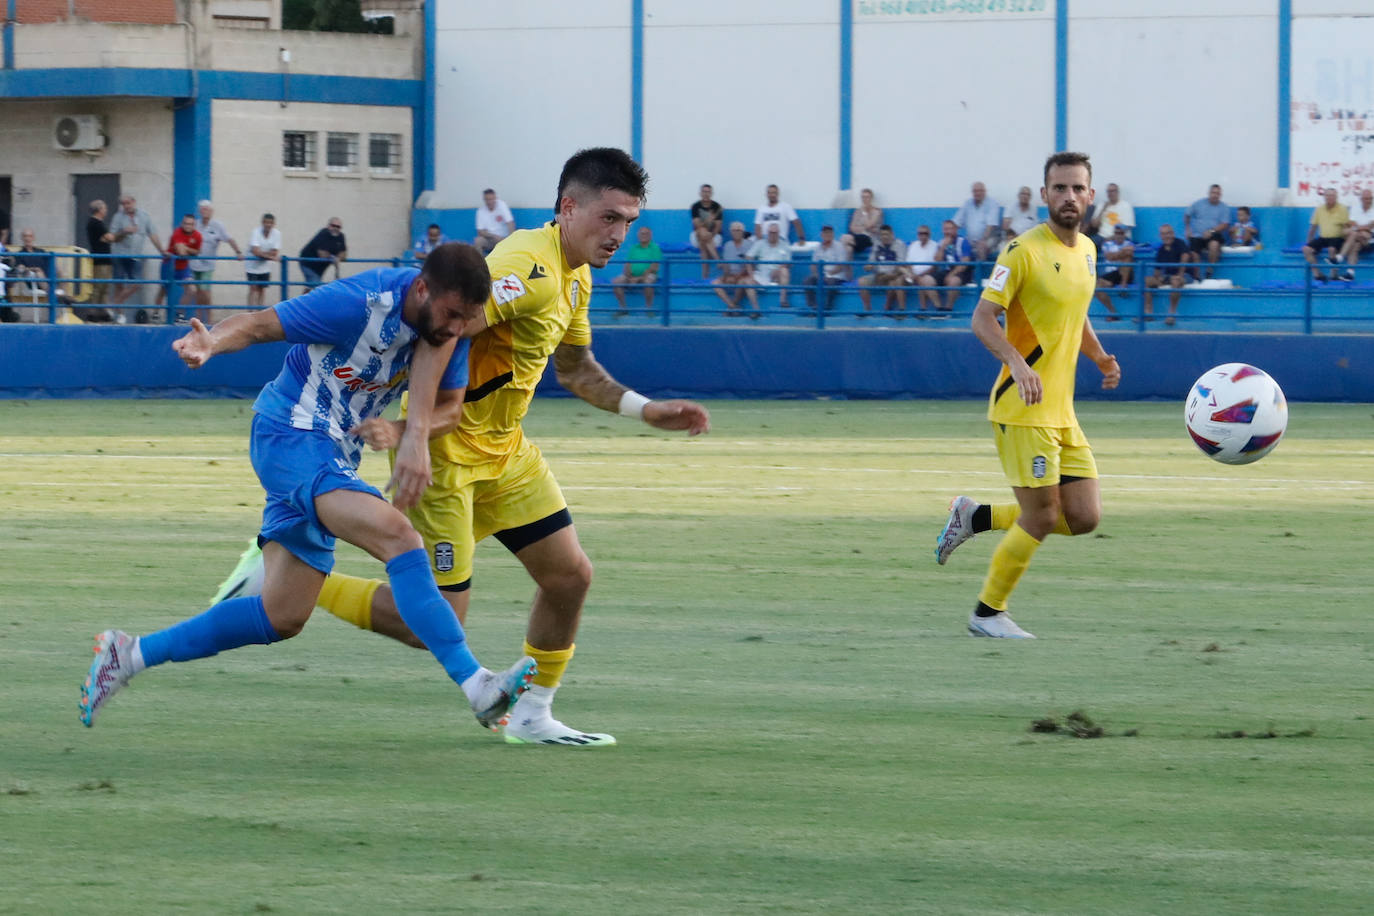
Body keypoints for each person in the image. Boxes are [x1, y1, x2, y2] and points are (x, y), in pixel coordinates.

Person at [210, 148, 711, 748]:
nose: (619, 235)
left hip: (505, 451)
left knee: (570, 575)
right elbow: (442, 329)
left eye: (628, 221)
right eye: (609, 218)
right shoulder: (526, 265)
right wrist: (417, 433)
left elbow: (576, 369)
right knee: (433, 625)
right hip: (449, 455)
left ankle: (532, 714)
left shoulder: (574, 276)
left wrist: (644, 409)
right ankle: (267, 585)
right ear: (569, 207)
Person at [78, 242, 537, 730]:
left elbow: (450, 407)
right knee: (399, 536)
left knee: (282, 616)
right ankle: (476, 683)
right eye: (451, 315)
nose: (457, 329)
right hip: (289, 433)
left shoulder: (449, 323)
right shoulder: (357, 302)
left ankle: (127, 655)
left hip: (334, 454)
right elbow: (258, 324)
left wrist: (404, 431)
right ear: (422, 289)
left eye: (466, 319)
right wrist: (210, 341)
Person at [933, 151, 1121, 639]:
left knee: (1083, 517)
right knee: (1042, 515)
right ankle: (987, 614)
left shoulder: (1087, 252)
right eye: (1059, 188)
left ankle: (974, 516)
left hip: (1062, 412)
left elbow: (1073, 316)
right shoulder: (1022, 252)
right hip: (1023, 409)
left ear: (1090, 195)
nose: (1069, 197)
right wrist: (1015, 363)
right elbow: (981, 318)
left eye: (1077, 188)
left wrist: (1099, 357)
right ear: (1044, 195)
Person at [109, 195, 165, 321]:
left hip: (135, 256)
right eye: (123, 204)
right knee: (119, 285)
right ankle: (120, 316)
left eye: (128, 203)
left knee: (137, 283)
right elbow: (112, 237)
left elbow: (152, 234)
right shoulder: (118, 217)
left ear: (134, 202)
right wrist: (124, 232)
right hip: (119, 254)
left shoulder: (144, 216)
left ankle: (115, 303)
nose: (126, 206)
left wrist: (161, 250)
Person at [190, 200, 243, 321]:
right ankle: (198, 318)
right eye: (203, 209)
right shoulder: (196, 224)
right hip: (194, 264)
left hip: (208, 265)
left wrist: (238, 252)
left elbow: (229, 239)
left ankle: (209, 318)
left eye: (207, 209)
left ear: (212, 211)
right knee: (198, 291)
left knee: (205, 291)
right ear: (199, 211)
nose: (205, 212)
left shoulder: (217, 225)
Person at [1144, 223, 1191, 326]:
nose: (1166, 236)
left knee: (1176, 281)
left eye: (1168, 233)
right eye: (1163, 234)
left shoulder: (1180, 243)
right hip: (1169, 277)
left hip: (1185, 275)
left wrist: (1180, 275)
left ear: (1173, 234)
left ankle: (1171, 314)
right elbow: (1157, 270)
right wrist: (1157, 279)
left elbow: (1185, 257)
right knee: (1147, 281)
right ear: (1160, 236)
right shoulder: (1161, 250)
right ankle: (1148, 313)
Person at [611, 224, 662, 315]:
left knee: (648, 281)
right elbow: (628, 264)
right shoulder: (633, 248)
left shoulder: (655, 248)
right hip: (632, 276)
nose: (643, 235)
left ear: (650, 235)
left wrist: (639, 278)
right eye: (641, 234)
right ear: (638, 236)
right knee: (616, 281)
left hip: (648, 275)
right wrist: (629, 276)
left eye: (646, 234)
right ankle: (623, 308)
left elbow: (654, 266)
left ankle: (649, 309)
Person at [1183, 183, 1232, 279]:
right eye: (1213, 192)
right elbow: (1187, 214)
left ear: (1220, 195)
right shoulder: (1199, 204)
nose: (1215, 195)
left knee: (1214, 245)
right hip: (1197, 236)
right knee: (1193, 252)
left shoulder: (1224, 207)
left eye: (1217, 193)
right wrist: (1187, 229)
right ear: (1209, 193)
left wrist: (1211, 231)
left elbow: (1225, 224)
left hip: (1214, 234)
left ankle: (1210, 269)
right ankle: (1196, 276)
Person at [856, 224, 907, 317]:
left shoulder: (900, 244)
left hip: (893, 275)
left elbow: (901, 265)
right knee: (861, 281)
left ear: (892, 234)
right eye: (882, 234)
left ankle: (887, 309)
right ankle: (867, 309)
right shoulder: (876, 245)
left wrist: (889, 275)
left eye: (886, 234)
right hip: (879, 275)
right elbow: (871, 262)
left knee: (893, 284)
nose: (884, 237)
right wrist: (869, 267)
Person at [1303, 188, 1349, 282]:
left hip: (1338, 238)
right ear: (1324, 197)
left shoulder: (1342, 208)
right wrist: (1309, 242)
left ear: (1336, 197)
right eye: (1327, 195)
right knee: (1306, 249)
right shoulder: (1319, 209)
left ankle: (1333, 275)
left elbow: (1346, 226)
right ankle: (1317, 274)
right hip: (1323, 238)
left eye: (1332, 195)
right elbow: (1313, 227)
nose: (1330, 198)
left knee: (1332, 249)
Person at [713, 221, 757, 316]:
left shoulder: (749, 244)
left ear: (742, 232)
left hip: (743, 275)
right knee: (715, 283)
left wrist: (738, 276)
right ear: (731, 232)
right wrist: (726, 276)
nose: (736, 232)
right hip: (730, 275)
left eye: (738, 230)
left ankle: (730, 308)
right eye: (734, 230)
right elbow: (726, 264)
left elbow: (750, 265)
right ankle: (733, 306)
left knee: (743, 282)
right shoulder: (728, 245)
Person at [805, 224, 851, 312]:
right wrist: (817, 274)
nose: (827, 235)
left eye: (830, 233)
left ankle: (827, 308)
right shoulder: (818, 248)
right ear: (822, 235)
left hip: (836, 276)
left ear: (833, 234)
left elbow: (841, 266)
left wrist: (829, 274)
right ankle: (813, 307)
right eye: (825, 233)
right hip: (822, 275)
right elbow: (813, 265)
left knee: (831, 282)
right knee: (808, 281)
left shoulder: (839, 246)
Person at [747, 221, 793, 309]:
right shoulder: (759, 243)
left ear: (778, 233)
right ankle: (756, 309)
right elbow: (748, 258)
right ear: (767, 233)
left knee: (784, 270)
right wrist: (751, 274)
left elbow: (788, 263)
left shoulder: (785, 245)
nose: (773, 234)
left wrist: (779, 269)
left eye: (775, 232)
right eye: (771, 232)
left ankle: (783, 300)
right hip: (761, 274)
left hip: (777, 275)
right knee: (748, 281)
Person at [82, 199, 114, 321]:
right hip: (100, 259)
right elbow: (109, 237)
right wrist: (123, 232)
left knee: (105, 286)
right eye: (104, 208)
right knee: (99, 286)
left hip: (105, 258)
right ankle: (93, 311)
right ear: (99, 210)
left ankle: (103, 310)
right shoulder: (96, 223)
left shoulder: (95, 223)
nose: (106, 210)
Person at [163, 213, 203, 313]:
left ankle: (179, 315)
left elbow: (198, 252)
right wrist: (188, 250)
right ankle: (155, 313)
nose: (187, 226)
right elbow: (181, 252)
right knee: (163, 290)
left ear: (194, 225)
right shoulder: (177, 232)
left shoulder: (198, 235)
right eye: (185, 223)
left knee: (192, 289)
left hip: (183, 267)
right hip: (169, 265)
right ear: (182, 224)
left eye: (190, 224)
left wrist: (186, 248)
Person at [952, 181, 1002, 261]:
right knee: (957, 246)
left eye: (980, 191)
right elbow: (956, 222)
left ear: (985, 191)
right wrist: (950, 236)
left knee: (981, 246)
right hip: (971, 239)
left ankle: (980, 272)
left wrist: (982, 240)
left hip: (990, 238)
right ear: (972, 192)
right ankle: (964, 272)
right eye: (975, 191)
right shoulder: (967, 204)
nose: (978, 193)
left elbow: (990, 226)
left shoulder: (992, 203)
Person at [933, 219, 973, 312]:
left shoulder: (963, 242)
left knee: (953, 281)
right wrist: (943, 247)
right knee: (926, 280)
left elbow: (964, 263)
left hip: (963, 271)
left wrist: (951, 274)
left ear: (955, 230)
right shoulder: (941, 242)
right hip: (947, 270)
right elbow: (937, 260)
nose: (948, 232)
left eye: (950, 229)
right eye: (945, 229)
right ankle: (939, 308)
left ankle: (948, 308)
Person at [1093, 224, 1132, 320]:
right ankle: (1113, 311)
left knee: (1126, 261)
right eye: (1117, 233)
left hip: (1124, 273)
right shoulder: (1107, 244)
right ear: (1114, 234)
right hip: (1111, 274)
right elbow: (1109, 257)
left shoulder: (1129, 243)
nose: (1119, 235)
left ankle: (1123, 284)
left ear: (1124, 234)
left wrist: (1116, 255)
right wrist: (1121, 253)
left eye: (1121, 233)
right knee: (1096, 288)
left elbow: (1129, 253)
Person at [245, 213, 282, 309]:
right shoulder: (256, 232)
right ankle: (250, 313)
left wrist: (264, 254)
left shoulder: (277, 234)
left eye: (270, 223)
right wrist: (270, 256)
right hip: (252, 266)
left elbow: (275, 252)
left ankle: (259, 312)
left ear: (274, 224)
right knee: (253, 289)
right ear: (262, 223)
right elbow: (255, 251)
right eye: (266, 222)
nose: (268, 225)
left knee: (262, 289)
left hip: (265, 267)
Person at [298, 217, 347, 290]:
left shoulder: (341, 236)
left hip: (319, 268)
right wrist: (333, 257)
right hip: (308, 263)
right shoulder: (323, 234)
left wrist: (338, 257)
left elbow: (344, 253)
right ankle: (308, 300)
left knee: (311, 287)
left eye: (338, 227)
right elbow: (321, 253)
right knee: (315, 286)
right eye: (333, 225)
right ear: (328, 226)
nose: (335, 228)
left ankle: (303, 300)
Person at [1337, 187, 1374, 279]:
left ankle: (1340, 257)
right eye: (1366, 198)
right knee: (1355, 245)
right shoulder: (1355, 208)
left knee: (1353, 234)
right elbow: (1352, 223)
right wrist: (1363, 228)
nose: (1368, 200)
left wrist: (1359, 228)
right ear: (1361, 199)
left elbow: (1370, 227)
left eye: (1370, 198)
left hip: (1370, 241)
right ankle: (1350, 273)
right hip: (1360, 238)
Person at [905, 224, 942, 314]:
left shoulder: (935, 246)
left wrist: (919, 276)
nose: (923, 235)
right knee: (897, 281)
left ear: (929, 234)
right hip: (912, 275)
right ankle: (900, 311)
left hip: (928, 274)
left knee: (923, 280)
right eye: (920, 233)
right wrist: (913, 274)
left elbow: (935, 266)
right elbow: (908, 263)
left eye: (925, 233)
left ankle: (927, 308)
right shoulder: (913, 245)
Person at [689, 184, 723, 277]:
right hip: (697, 234)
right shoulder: (695, 206)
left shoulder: (717, 206)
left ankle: (704, 276)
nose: (706, 194)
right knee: (702, 230)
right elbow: (697, 225)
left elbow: (718, 227)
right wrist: (708, 220)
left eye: (708, 192)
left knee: (703, 242)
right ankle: (718, 260)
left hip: (714, 236)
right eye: (704, 191)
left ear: (711, 193)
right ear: (700, 193)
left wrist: (710, 237)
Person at [844, 188, 883, 259]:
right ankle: (848, 270)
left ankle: (840, 267)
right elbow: (852, 227)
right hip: (857, 237)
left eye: (867, 197)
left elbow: (869, 225)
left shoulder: (876, 211)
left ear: (871, 198)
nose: (865, 199)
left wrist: (864, 212)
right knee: (848, 248)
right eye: (863, 197)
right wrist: (864, 229)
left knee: (846, 239)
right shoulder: (857, 211)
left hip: (870, 238)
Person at [474, 188, 515, 255]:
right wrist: (494, 236)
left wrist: (510, 239)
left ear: (495, 198)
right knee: (478, 241)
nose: (489, 202)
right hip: (491, 239)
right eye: (487, 199)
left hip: (504, 238)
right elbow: (480, 232)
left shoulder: (502, 205)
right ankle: (481, 264)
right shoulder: (480, 211)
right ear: (484, 200)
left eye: (491, 199)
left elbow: (510, 223)